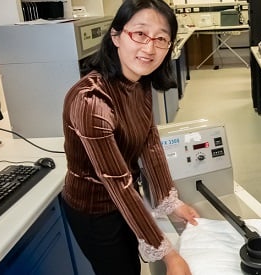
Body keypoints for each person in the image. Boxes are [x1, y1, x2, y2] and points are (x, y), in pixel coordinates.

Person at [60, 1, 199, 274]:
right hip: (94, 208)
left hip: (124, 196)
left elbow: (150, 141)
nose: (149, 48)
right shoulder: (91, 99)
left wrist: (171, 203)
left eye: (161, 38)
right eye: (140, 34)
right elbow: (117, 183)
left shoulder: (139, 82)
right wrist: (168, 254)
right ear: (116, 36)